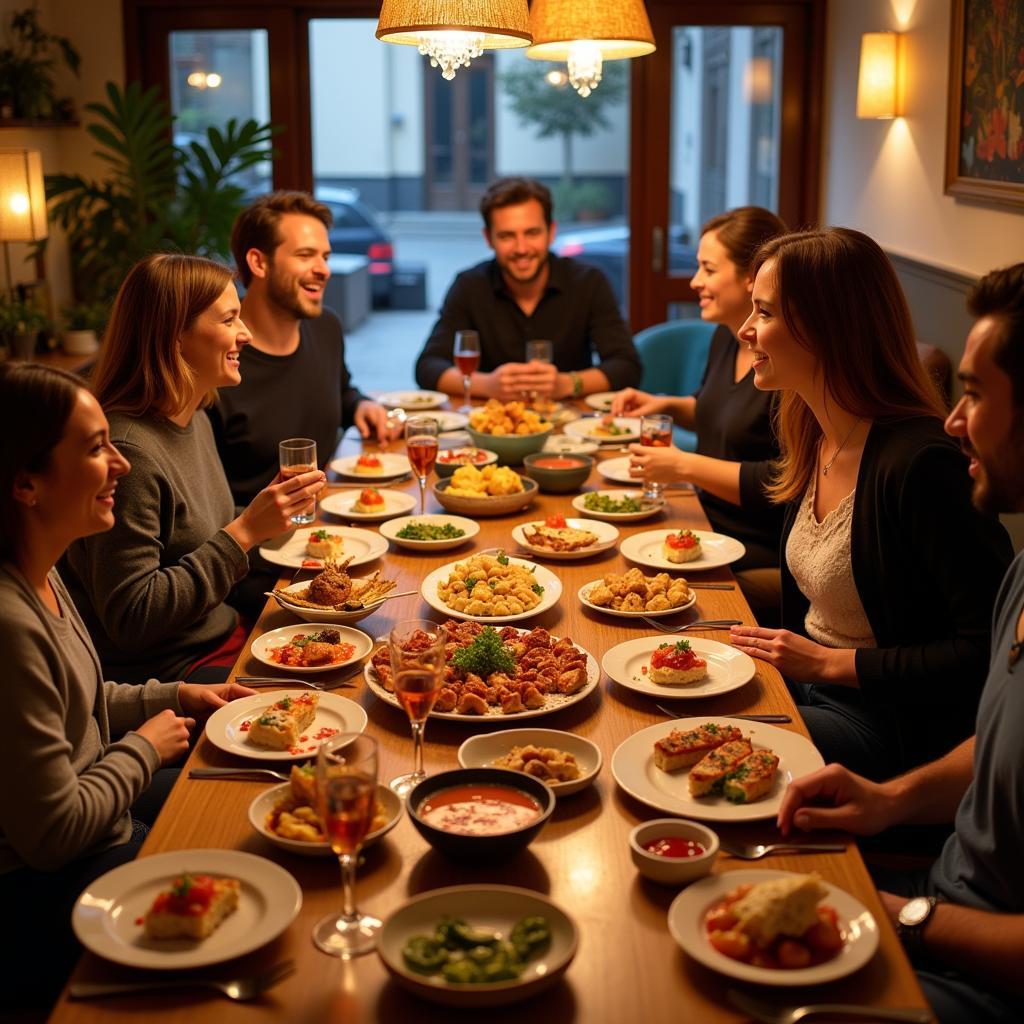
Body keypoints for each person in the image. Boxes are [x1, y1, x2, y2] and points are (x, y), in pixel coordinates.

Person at [631, 228, 1011, 778]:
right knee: (653, 694)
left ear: (827, 327)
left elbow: (984, 651)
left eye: (764, 312)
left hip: (892, 727)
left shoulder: (921, 464)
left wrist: (832, 663)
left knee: (663, 750)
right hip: (812, 687)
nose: (744, 330)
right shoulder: (814, 429)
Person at [777, 262, 1024, 1024]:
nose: (952, 420)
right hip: (938, 901)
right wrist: (887, 801)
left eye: (975, 395)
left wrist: (902, 917)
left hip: (978, 973)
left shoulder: (916, 463)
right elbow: (996, 743)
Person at [0, 362, 256, 1006]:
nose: (121, 464)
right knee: (247, 861)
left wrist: (173, 697)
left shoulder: (41, 569)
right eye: (95, 448)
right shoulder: (8, 627)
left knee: (254, 790)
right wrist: (143, 748)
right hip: (43, 887)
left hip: (101, 817)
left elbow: (79, 702)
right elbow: (52, 833)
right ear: (26, 483)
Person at [62, 253, 325, 683]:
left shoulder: (193, 416)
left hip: (223, 634)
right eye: (228, 320)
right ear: (173, 336)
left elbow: (196, 534)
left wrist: (270, 515)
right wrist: (244, 532)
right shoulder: (130, 454)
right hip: (175, 674)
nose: (246, 334)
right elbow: (132, 618)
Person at [611, 206, 788, 618]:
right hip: (702, 518)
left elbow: (783, 480)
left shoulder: (783, 362)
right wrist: (667, 405)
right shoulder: (726, 339)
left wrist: (683, 465)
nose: (695, 282)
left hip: (751, 540)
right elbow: (724, 414)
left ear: (752, 276)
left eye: (708, 269)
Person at [209, 190, 395, 508]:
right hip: (250, 548)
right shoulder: (216, 357)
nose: (323, 270)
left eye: (325, 256)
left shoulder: (326, 327)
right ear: (258, 262)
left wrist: (361, 406)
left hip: (327, 526)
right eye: (305, 255)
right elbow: (203, 507)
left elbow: (339, 390)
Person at [414, 176, 641, 401]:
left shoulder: (588, 282)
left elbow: (626, 366)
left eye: (532, 233)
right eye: (507, 236)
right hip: (491, 427)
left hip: (570, 426)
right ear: (488, 238)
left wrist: (567, 384)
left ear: (551, 232)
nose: (521, 248)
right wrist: (487, 385)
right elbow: (428, 366)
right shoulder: (469, 286)